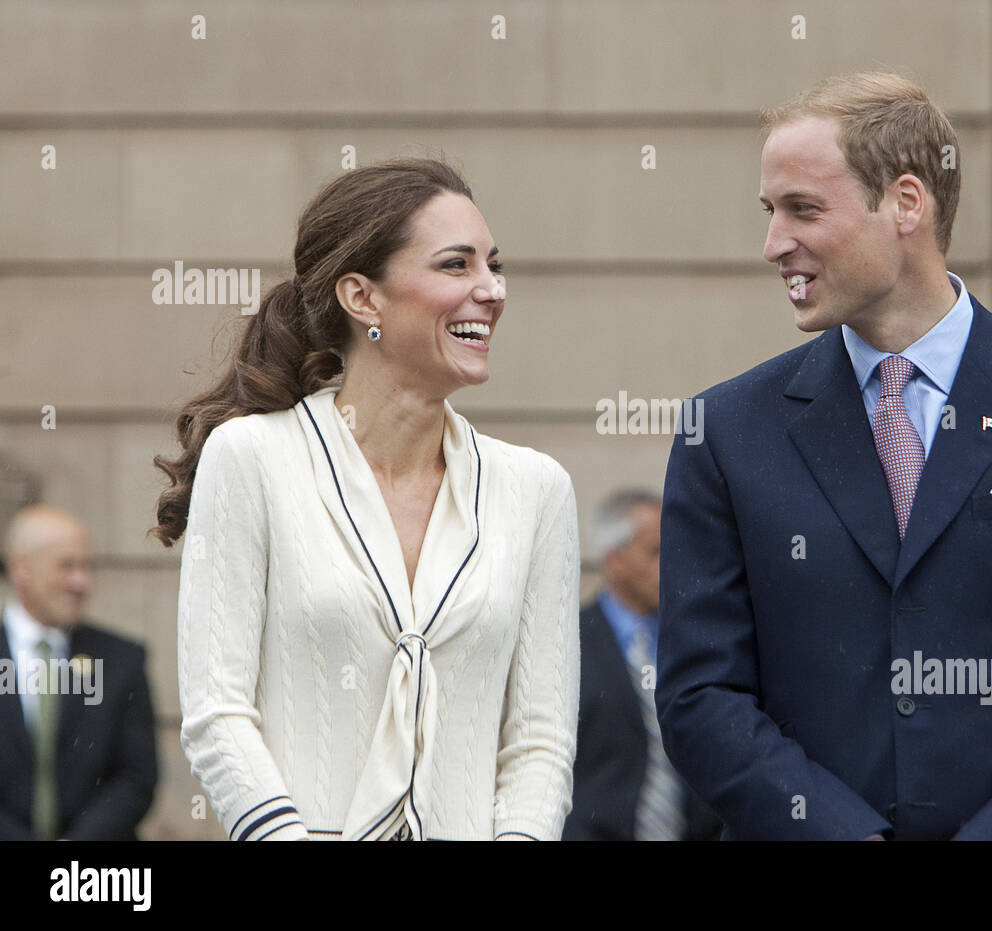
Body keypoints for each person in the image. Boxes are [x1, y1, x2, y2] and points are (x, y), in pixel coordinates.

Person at [655, 73, 992, 840]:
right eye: (771, 212)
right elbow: (701, 696)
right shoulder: (724, 430)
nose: (773, 245)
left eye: (803, 209)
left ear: (906, 203)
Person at [152, 157, 580, 841]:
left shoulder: (535, 489)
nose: (491, 289)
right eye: (456, 265)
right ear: (363, 297)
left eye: (493, 265)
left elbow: (539, 740)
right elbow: (217, 713)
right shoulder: (254, 459)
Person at [563, 490, 721, 841]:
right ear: (614, 560)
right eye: (656, 551)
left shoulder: (700, 642)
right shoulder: (567, 644)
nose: (672, 564)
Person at [0, 505, 157, 840]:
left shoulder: (121, 659)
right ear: (20, 570)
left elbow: (137, 777)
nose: (82, 582)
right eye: (66, 566)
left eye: (86, 566)